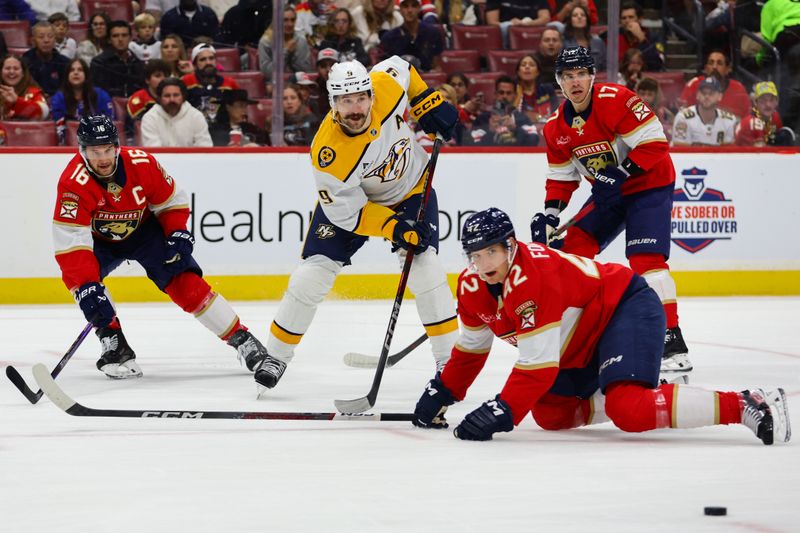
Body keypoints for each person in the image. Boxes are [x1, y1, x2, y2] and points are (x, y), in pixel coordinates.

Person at [411, 207, 792, 445]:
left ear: (511, 246)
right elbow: (473, 347)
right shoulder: (471, 285)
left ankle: (744, 404)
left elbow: (537, 366)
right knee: (551, 415)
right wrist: (444, 390)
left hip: (625, 307)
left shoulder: (533, 279)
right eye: (475, 256)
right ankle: (642, 390)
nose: (483, 263)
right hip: (578, 345)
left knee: (630, 412)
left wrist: (502, 410)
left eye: (491, 251)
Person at [256, 57, 460, 390]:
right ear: (333, 103)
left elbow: (403, 67)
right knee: (311, 276)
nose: (356, 107)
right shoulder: (328, 153)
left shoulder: (385, 87)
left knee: (424, 266)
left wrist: (426, 103)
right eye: (346, 100)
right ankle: (277, 354)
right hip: (353, 206)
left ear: (369, 92)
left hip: (410, 189)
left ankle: (449, 361)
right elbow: (348, 214)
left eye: (361, 97)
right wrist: (393, 226)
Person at [51, 115, 269, 379]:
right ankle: (113, 341)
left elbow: (170, 201)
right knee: (84, 287)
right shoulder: (73, 183)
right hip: (100, 241)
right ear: (83, 151)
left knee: (184, 282)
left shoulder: (142, 164)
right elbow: (72, 239)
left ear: (117, 146)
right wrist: (87, 286)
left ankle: (243, 339)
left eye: (108, 149)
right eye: (96, 152)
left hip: (146, 232)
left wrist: (177, 230)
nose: (104, 158)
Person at [531, 46, 691, 375]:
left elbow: (655, 142)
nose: (575, 82)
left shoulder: (616, 99)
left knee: (646, 261)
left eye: (581, 74)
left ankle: (671, 340)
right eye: (567, 76)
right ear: (559, 82)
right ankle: (573, 338)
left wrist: (620, 172)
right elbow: (561, 178)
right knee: (569, 252)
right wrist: (550, 217)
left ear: (592, 76)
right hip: (609, 192)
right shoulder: (555, 128)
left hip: (649, 181)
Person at [51, 57, 113, 142]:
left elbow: (108, 123)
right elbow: (58, 129)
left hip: (98, 143)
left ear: (86, 74)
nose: (76, 73)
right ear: (67, 75)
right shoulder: (58, 98)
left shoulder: (100, 95)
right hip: (67, 146)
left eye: (80, 70)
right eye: (72, 70)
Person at [468, 75, 539, 146]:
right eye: (501, 93)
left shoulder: (523, 119)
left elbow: (533, 142)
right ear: (495, 94)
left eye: (509, 93)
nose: (504, 96)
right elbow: (473, 145)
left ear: (515, 95)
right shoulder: (482, 119)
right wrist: (490, 131)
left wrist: (515, 129)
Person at [141, 77, 213, 147]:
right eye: (167, 96)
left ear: (183, 97)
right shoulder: (150, 118)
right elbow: (153, 150)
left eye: (176, 95)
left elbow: (205, 147)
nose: (172, 99)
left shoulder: (196, 116)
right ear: (159, 98)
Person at [678, 50, 749, 119]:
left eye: (719, 63)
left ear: (728, 69)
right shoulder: (694, 85)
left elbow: (746, 119)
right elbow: (683, 115)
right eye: (711, 63)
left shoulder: (738, 89)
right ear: (705, 68)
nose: (714, 67)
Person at [181, 43, 241, 124]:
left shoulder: (230, 83)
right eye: (203, 59)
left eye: (211, 58)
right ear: (195, 65)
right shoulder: (186, 82)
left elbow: (239, 110)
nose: (208, 62)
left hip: (222, 131)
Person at [671, 76, 737, 146]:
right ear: (697, 95)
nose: (707, 96)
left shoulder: (729, 120)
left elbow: (728, 152)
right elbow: (681, 151)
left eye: (711, 93)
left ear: (720, 96)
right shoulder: (683, 118)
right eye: (703, 93)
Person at [380, 0, 444, 72]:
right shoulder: (389, 37)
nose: (410, 10)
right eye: (405, 6)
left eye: (414, 6)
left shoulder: (433, 33)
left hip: (426, 79)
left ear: (419, 8)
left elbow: (437, 66)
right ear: (400, 9)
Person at [258, 5, 312, 86]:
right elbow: (269, 73)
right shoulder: (266, 42)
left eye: (292, 20)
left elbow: (305, 71)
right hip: (274, 85)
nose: (290, 24)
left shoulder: (301, 40)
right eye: (285, 20)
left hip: (299, 85)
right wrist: (286, 52)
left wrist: (294, 55)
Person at [90, 21, 145, 99]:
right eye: (115, 36)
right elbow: (97, 93)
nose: (120, 39)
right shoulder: (99, 63)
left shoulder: (137, 63)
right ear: (109, 39)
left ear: (130, 38)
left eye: (124, 35)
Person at [735, 81, 796, 147]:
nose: (768, 105)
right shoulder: (751, 122)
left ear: (777, 101)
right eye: (763, 100)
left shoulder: (775, 116)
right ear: (755, 102)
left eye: (771, 100)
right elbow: (760, 152)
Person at [22, 21, 70, 97]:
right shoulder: (24, 62)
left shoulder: (65, 63)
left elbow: (67, 89)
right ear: (33, 40)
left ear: (55, 40)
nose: (46, 40)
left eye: (50, 36)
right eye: (41, 37)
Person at [616, 1, 664, 71]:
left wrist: (642, 39)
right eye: (624, 18)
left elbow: (657, 64)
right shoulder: (613, 38)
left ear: (640, 19)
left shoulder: (654, 38)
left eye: (631, 17)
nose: (627, 21)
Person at [0, 54, 49, 120]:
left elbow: (43, 113)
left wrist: (17, 102)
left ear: (23, 73)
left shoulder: (34, 93)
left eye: (16, 68)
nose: (11, 72)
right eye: (7, 68)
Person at [486, 0, 550, 48]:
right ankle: (505, 51)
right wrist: (512, 26)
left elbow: (545, 18)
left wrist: (525, 23)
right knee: (505, 26)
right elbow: (492, 22)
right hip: (507, 28)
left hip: (532, 26)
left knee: (558, 25)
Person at [513, 54, 557, 123]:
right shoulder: (513, 92)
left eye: (532, 65)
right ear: (518, 72)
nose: (527, 67)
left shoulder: (547, 89)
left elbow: (556, 113)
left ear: (537, 72)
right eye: (523, 65)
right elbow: (512, 116)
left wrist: (537, 117)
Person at [562, 4, 606, 71]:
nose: (579, 17)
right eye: (575, 15)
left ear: (587, 19)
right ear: (570, 20)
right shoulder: (564, 43)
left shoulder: (598, 42)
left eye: (583, 15)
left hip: (598, 79)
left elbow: (606, 67)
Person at [636, 77, 674, 141]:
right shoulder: (630, 113)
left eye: (650, 94)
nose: (645, 98)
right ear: (637, 94)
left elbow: (672, 133)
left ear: (656, 96)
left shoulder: (665, 113)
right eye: (642, 94)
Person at [308, 47, 338, 117]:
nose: (328, 69)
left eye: (332, 65)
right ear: (317, 68)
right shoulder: (312, 89)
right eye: (323, 65)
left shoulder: (347, 88)